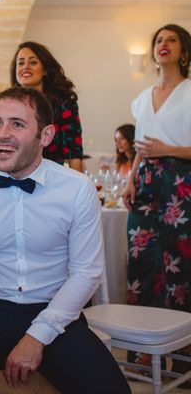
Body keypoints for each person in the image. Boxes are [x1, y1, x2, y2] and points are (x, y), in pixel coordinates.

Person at [0, 87, 130, 394]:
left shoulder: (77, 190)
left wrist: (37, 336)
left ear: (46, 135)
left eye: (17, 124)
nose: (2, 134)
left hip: (55, 313)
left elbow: (86, 272)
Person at [123, 23, 191, 373]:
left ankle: (181, 358)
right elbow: (140, 145)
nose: (164, 44)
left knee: (177, 268)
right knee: (141, 262)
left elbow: (165, 144)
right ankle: (141, 355)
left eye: (172, 39)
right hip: (145, 181)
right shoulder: (143, 96)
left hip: (181, 182)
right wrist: (131, 178)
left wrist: (169, 150)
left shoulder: (190, 91)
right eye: (159, 40)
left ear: (184, 50)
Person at [10, 41, 84, 171]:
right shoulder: (8, 105)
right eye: (20, 62)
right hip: (14, 175)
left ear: (44, 69)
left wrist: (75, 188)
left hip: (52, 177)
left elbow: (74, 154)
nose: (25, 67)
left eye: (33, 62)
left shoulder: (64, 104)